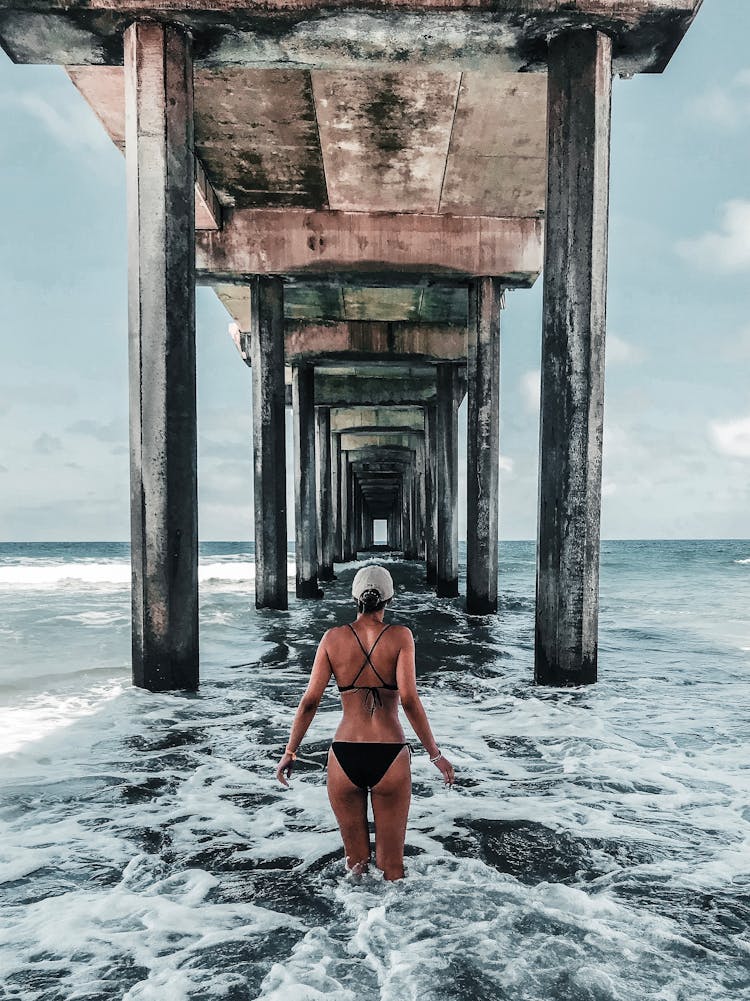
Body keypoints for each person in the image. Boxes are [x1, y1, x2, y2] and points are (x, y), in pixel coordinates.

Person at [274, 564, 455, 881]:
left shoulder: (333, 639)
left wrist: (290, 752)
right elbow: (410, 701)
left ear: (354, 597)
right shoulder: (400, 636)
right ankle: (391, 928)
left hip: (345, 755)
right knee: (393, 868)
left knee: (355, 866)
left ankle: (355, 925)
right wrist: (435, 755)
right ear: (390, 599)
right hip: (390, 754)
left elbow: (309, 702)